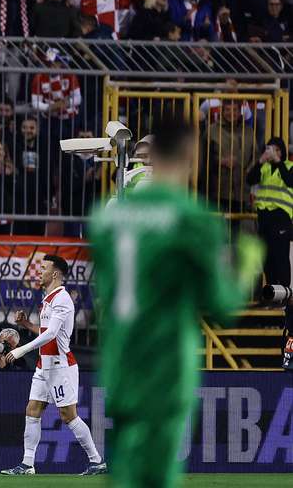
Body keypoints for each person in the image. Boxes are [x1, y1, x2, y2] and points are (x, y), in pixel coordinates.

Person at [88, 114, 263, 488]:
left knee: (124, 478)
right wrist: (247, 263)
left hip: (119, 366)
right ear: (189, 153)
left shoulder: (105, 221)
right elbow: (222, 306)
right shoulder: (191, 218)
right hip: (164, 368)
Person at [1, 254, 105, 476]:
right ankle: (27, 464)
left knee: (69, 415)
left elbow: (52, 334)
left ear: (55, 273)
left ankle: (96, 461)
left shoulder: (62, 299)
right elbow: (45, 331)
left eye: (44, 268)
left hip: (60, 366)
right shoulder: (48, 298)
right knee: (33, 409)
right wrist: (27, 324)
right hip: (43, 365)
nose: (40, 272)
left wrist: (21, 349)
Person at [246, 138, 292, 289]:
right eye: (270, 149)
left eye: (277, 149)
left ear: (283, 152)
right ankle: (272, 296)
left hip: (281, 217)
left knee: (281, 259)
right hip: (264, 217)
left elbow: (290, 181)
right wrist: (260, 161)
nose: (273, 153)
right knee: (267, 260)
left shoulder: (289, 166)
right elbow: (250, 179)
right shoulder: (264, 167)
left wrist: (278, 161)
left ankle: (284, 297)